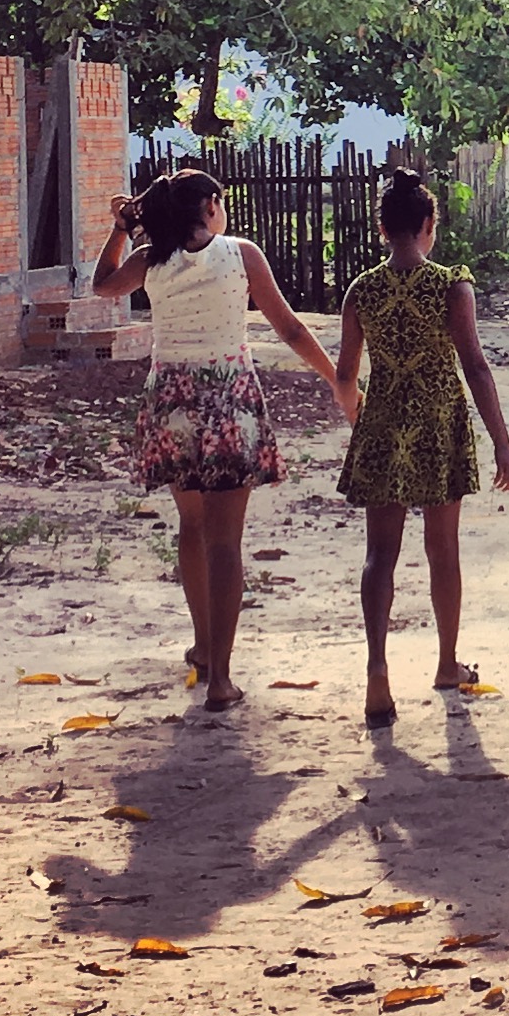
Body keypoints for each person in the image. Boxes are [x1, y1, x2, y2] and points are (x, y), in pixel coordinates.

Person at [95, 170, 348, 711]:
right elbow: (291, 330)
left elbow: (102, 286)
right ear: (210, 206)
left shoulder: (150, 260)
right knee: (226, 542)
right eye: (222, 203)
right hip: (231, 399)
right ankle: (221, 680)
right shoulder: (242, 255)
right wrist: (338, 381)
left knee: (191, 526)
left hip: (172, 402)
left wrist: (119, 229)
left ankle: (205, 649)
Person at [335, 167, 509, 728]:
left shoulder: (360, 290)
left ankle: (376, 670)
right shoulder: (452, 284)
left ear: (381, 228)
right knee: (443, 549)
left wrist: (359, 419)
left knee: (379, 555)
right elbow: (476, 368)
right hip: (440, 424)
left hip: (384, 421)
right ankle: (445, 663)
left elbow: (347, 373)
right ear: (427, 225)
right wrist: (503, 445)